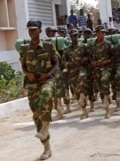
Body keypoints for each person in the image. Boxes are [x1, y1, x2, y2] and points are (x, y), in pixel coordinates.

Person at [19, 20, 58, 160]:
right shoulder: (24, 48)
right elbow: (23, 65)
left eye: (34, 30)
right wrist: (27, 74)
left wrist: (48, 74)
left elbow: (56, 62)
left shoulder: (48, 46)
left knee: (46, 95)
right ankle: (47, 148)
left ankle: (45, 128)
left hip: (47, 79)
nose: (32, 32)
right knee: (37, 116)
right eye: (30, 30)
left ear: (40, 31)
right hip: (32, 83)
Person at [88, 25, 113, 119]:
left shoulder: (108, 43)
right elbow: (89, 55)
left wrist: (108, 61)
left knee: (104, 81)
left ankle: (107, 107)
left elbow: (113, 56)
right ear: (97, 33)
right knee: (100, 87)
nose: (103, 34)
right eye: (101, 32)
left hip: (106, 68)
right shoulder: (91, 45)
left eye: (104, 32)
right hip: (96, 69)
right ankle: (105, 101)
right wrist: (91, 61)